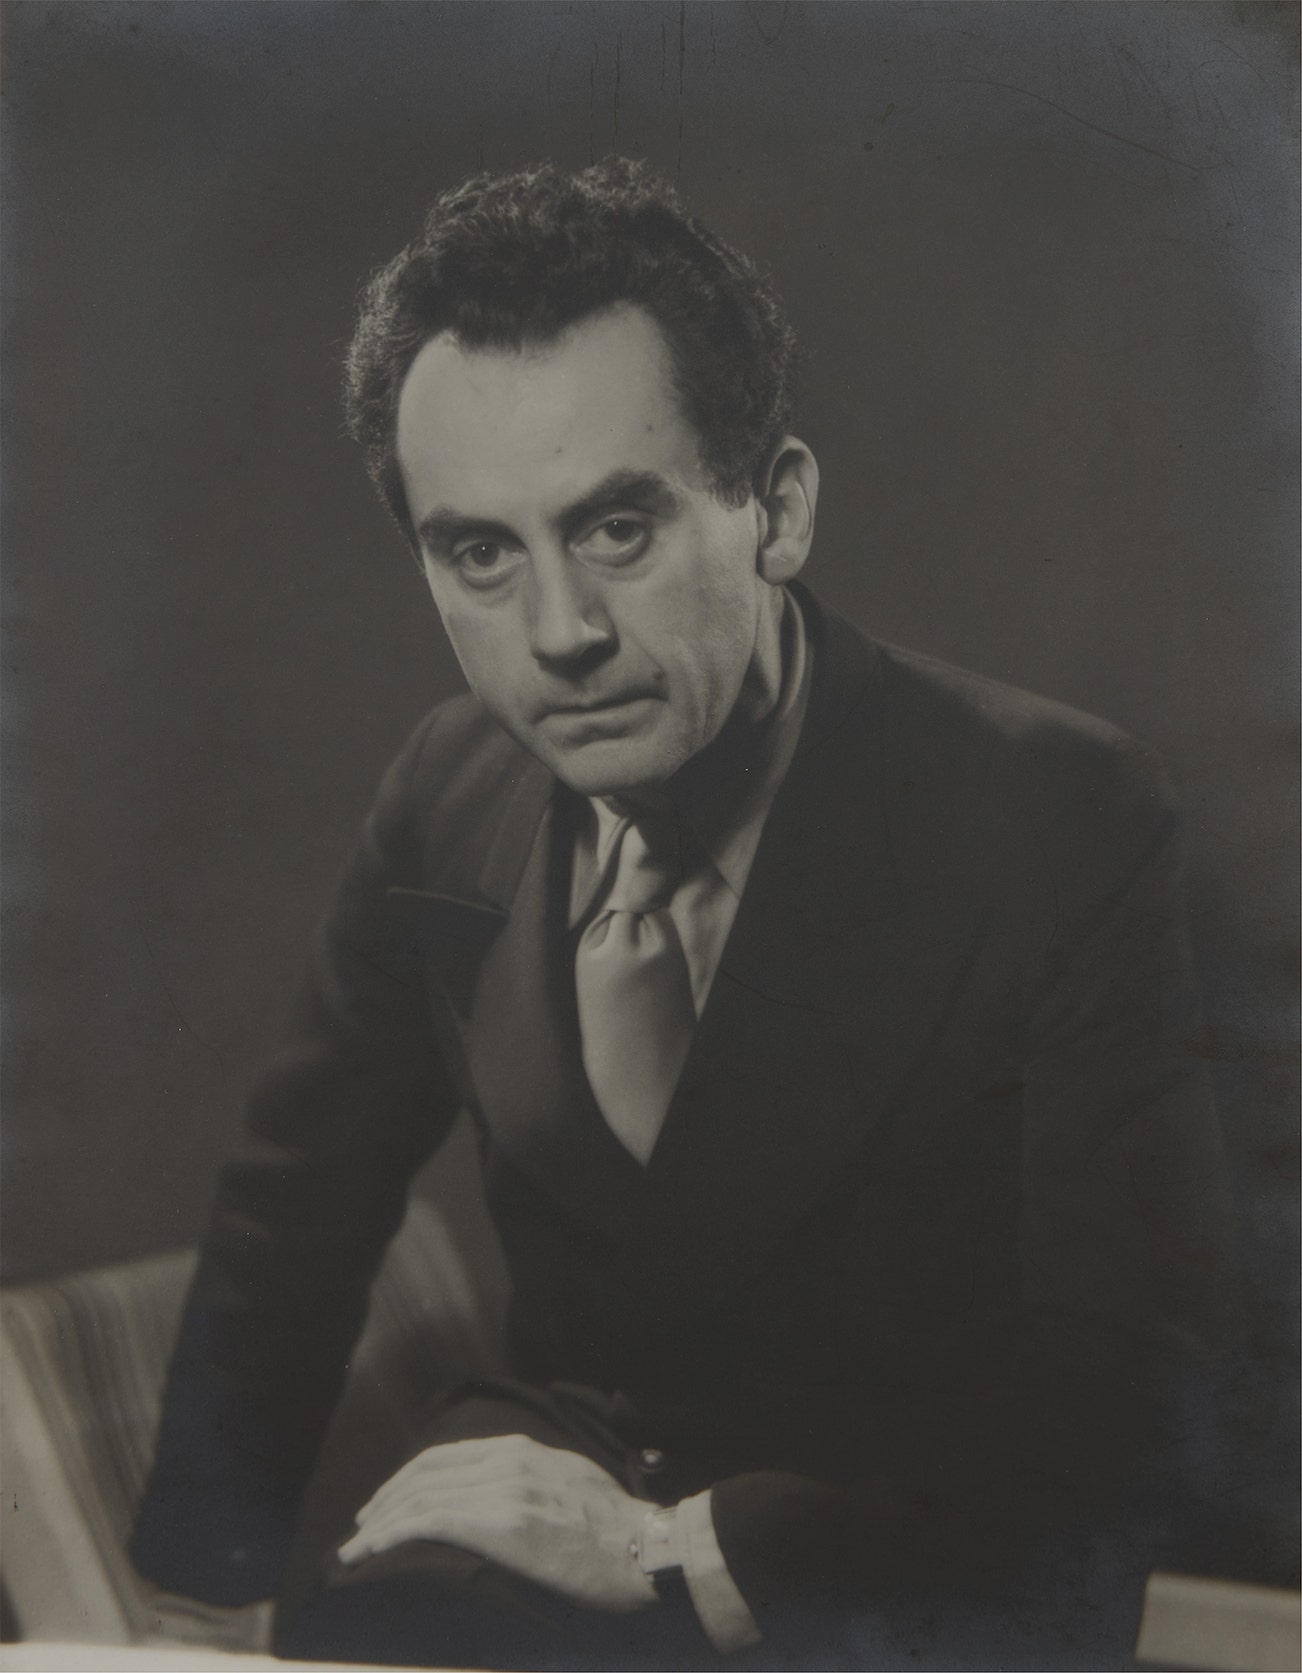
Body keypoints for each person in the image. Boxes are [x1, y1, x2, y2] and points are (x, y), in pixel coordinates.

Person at [130, 158, 1230, 1669]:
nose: (559, 634)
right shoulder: (449, 790)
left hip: (900, 1570)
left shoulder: (1051, 808)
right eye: (480, 553)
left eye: (617, 529)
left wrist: (667, 1550)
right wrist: (197, 1592)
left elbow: (1132, 1389)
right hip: (546, 1508)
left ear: (776, 509)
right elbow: (293, 1212)